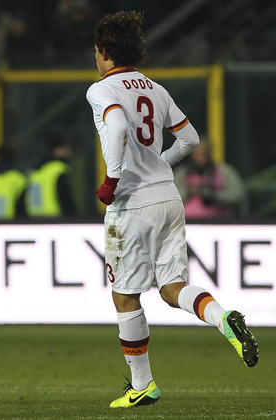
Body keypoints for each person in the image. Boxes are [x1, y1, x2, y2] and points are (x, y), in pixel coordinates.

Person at [85, 10, 259, 409]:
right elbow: (190, 138)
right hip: (168, 197)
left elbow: (116, 127)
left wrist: (112, 180)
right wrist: (160, 165)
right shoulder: (155, 89)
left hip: (132, 203)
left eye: (96, 51)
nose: (95, 58)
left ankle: (142, 385)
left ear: (106, 51)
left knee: (125, 294)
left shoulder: (101, 89)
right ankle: (223, 317)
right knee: (171, 288)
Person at [173, 137, 246, 219]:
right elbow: (172, 199)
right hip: (187, 222)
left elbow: (238, 195)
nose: (202, 156)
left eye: (205, 152)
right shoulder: (182, 173)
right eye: (198, 152)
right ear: (191, 153)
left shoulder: (224, 171)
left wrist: (210, 194)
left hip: (219, 221)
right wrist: (188, 191)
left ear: (210, 152)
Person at [25, 140, 77, 218]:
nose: (69, 152)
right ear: (57, 150)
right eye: (66, 149)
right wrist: (74, 217)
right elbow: (65, 198)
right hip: (55, 219)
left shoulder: (35, 172)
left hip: (34, 220)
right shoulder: (58, 169)